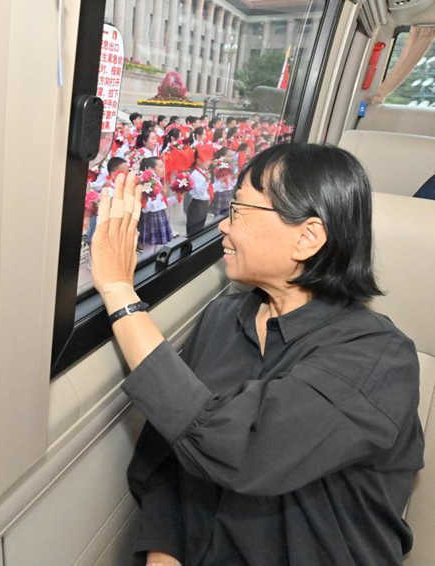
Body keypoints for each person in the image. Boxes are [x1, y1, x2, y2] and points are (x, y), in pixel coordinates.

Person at [90, 143, 422, 566]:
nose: (224, 228)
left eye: (238, 211)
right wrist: (165, 554)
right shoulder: (224, 318)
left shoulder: (378, 358)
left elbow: (243, 449)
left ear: (307, 237)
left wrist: (120, 292)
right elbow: (172, 455)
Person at [137, 157, 171, 250]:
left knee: (157, 249)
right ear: (151, 169)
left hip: (158, 214)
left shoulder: (156, 181)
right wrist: (160, 197)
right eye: (160, 167)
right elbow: (146, 207)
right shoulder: (147, 182)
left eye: (163, 166)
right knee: (149, 250)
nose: (163, 169)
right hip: (151, 217)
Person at [185, 147, 212, 236]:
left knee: (200, 231)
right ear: (198, 161)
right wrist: (206, 181)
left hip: (203, 205)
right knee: (194, 233)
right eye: (206, 160)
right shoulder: (195, 174)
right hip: (197, 206)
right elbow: (199, 192)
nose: (209, 163)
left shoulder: (203, 172)